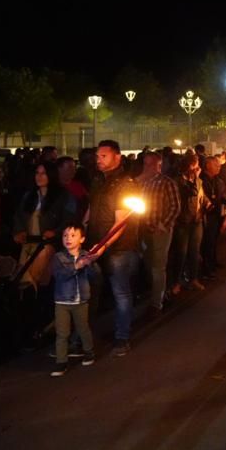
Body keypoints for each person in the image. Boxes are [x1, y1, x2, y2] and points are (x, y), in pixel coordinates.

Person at [88, 140, 139, 357]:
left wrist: (105, 246)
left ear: (117, 157)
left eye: (103, 156)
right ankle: (83, 336)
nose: (98, 160)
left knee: (121, 292)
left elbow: (121, 222)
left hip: (119, 248)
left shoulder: (126, 184)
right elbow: (91, 210)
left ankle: (122, 337)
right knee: (90, 291)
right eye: (97, 156)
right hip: (95, 243)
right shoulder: (98, 181)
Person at [136, 152, 179, 315]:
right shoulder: (142, 183)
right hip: (144, 229)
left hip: (160, 231)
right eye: (144, 164)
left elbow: (175, 206)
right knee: (148, 264)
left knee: (158, 267)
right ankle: (155, 292)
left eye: (149, 164)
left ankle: (157, 302)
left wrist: (164, 224)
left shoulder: (167, 182)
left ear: (158, 165)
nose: (146, 167)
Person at [50, 226, 95, 377]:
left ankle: (89, 352)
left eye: (73, 235)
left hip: (81, 300)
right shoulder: (58, 257)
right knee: (62, 333)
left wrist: (91, 263)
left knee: (83, 328)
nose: (68, 238)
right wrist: (77, 266)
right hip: (62, 301)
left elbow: (96, 276)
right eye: (65, 235)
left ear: (82, 239)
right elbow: (59, 275)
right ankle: (61, 362)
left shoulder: (86, 255)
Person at [171, 154, 207, 294]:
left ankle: (193, 278)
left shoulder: (197, 181)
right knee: (181, 252)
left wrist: (206, 203)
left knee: (194, 251)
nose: (197, 168)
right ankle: (176, 281)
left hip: (196, 221)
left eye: (197, 164)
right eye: (194, 165)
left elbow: (200, 195)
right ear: (187, 166)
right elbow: (190, 193)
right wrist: (195, 179)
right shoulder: (178, 182)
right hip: (183, 222)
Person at [200, 156, 226, 280]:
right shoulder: (202, 180)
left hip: (217, 213)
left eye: (219, 164)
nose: (219, 166)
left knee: (214, 239)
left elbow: (222, 192)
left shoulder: (217, 179)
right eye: (215, 164)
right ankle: (207, 268)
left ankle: (213, 261)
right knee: (208, 241)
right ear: (208, 166)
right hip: (208, 214)